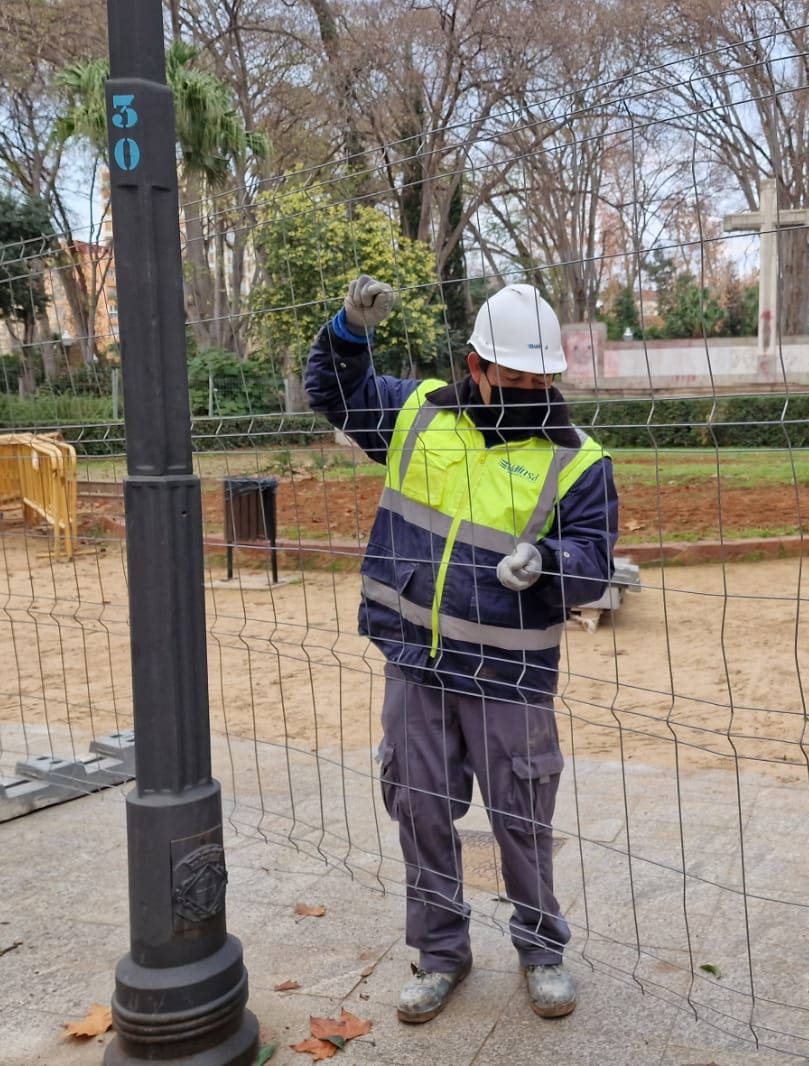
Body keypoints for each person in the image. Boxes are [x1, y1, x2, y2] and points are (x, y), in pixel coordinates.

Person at [306, 276, 619, 1023]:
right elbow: (335, 390)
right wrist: (349, 331)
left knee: (521, 814)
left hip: (511, 674)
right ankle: (441, 953)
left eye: (540, 380)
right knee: (419, 809)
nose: (527, 391)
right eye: (511, 379)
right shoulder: (417, 415)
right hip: (416, 659)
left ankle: (542, 951)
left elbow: (595, 562)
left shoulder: (576, 457)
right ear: (475, 365)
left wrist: (549, 565)